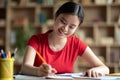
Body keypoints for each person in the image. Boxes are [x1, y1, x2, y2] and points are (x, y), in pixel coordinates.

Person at [21, 1, 109, 77]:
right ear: (56, 17)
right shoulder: (36, 40)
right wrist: (38, 71)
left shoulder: (76, 43)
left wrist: (96, 70)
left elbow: (105, 69)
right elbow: (25, 67)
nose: (65, 29)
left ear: (76, 28)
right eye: (63, 21)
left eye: (72, 27)